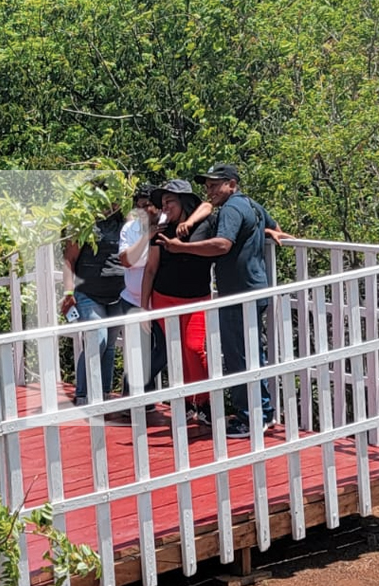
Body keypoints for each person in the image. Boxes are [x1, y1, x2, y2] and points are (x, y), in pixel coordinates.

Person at [158, 162, 288, 435]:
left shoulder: (230, 210)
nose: (211, 191)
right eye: (207, 186)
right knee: (253, 354)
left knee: (239, 357)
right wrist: (269, 231)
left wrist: (183, 248)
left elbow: (222, 244)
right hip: (255, 288)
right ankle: (263, 413)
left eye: (215, 185)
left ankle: (249, 418)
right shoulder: (249, 205)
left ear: (232, 183)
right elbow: (271, 223)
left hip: (239, 294)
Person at [145, 179, 216, 424]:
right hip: (164, 297)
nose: (165, 207)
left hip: (197, 298)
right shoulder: (160, 231)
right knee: (177, 353)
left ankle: (204, 400)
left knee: (194, 348)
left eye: (170, 201)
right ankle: (187, 401)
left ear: (184, 201)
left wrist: (189, 223)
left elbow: (208, 204)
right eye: (163, 203)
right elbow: (151, 269)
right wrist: (144, 305)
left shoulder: (203, 224)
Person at [61, 197, 126, 405]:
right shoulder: (83, 224)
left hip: (118, 293)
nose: (110, 203)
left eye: (115, 198)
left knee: (109, 346)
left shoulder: (125, 222)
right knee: (97, 340)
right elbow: (69, 259)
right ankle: (83, 395)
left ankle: (103, 394)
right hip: (88, 291)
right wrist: (69, 292)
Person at [117, 182, 168, 396]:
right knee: (137, 351)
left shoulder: (169, 224)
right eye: (138, 206)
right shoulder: (130, 228)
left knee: (164, 350)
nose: (143, 210)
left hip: (159, 301)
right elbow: (127, 260)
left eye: (147, 205)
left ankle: (141, 390)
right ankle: (131, 398)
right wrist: (148, 236)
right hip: (132, 300)